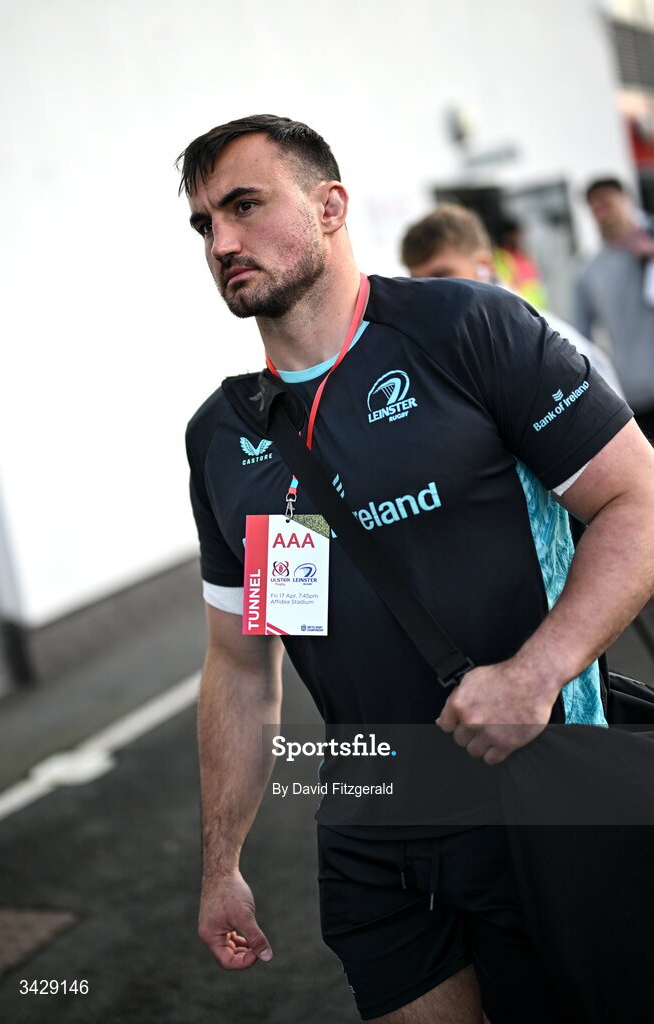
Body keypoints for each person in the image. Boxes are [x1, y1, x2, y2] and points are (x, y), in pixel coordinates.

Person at [177, 115, 654, 1023]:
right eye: (203, 224)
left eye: (243, 205)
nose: (221, 241)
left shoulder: (464, 329)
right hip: (370, 820)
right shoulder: (223, 436)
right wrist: (220, 867)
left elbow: (639, 502)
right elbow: (243, 664)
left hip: (540, 796)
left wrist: (535, 673)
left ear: (329, 208)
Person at [401, 202, 625, 397]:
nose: (428, 290)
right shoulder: (435, 349)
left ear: (484, 266)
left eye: (440, 275)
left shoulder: (549, 341)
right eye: (418, 282)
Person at [575, 176, 654, 434]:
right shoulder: (590, 271)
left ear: (626, 200)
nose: (601, 214)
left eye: (606, 204)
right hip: (633, 394)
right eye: (594, 208)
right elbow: (580, 336)